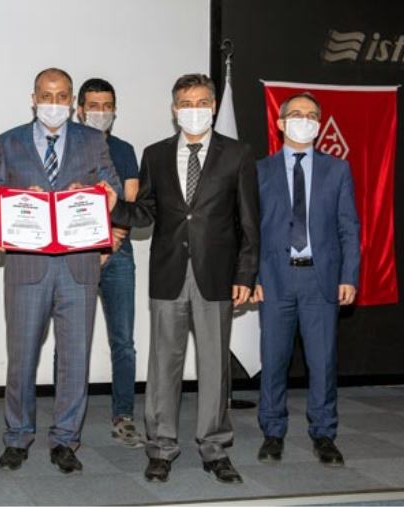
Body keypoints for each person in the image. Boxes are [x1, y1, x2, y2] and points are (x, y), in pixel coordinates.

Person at [108, 73, 259, 484]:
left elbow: (249, 220)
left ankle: (215, 448)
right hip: (168, 272)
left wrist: (246, 273)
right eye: (186, 104)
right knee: (163, 365)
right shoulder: (155, 154)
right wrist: (113, 204)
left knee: (215, 366)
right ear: (175, 110)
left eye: (202, 102)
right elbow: (145, 213)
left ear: (213, 107)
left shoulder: (238, 154)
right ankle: (161, 448)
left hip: (217, 274)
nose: (194, 110)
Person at [0, 68, 121, 475]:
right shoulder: (9, 141)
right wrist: (18, 198)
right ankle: (17, 435)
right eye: (47, 95)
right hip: (28, 265)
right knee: (21, 358)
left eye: (62, 96)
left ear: (72, 101)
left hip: (79, 266)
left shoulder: (93, 140)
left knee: (75, 360)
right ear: (33, 98)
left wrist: (97, 196)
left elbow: (113, 189)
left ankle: (65, 439)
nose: (54, 103)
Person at [252, 92, 359, 467]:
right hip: (274, 279)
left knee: (323, 361)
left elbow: (349, 227)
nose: (304, 119)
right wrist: (251, 276)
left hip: (321, 279)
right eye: (296, 114)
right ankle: (272, 432)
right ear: (281, 123)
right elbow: (249, 229)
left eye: (311, 115)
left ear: (319, 124)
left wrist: (349, 275)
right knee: (274, 360)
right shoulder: (260, 170)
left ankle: (324, 434)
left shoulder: (337, 169)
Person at [75, 77, 143, 448]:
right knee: (70, 341)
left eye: (107, 106)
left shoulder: (124, 149)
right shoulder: (66, 146)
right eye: (93, 106)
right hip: (75, 256)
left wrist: (112, 241)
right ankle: (68, 419)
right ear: (80, 110)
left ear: (114, 110)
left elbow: (130, 202)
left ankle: (124, 416)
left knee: (123, 341)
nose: (100, 112)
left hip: (118, 255)